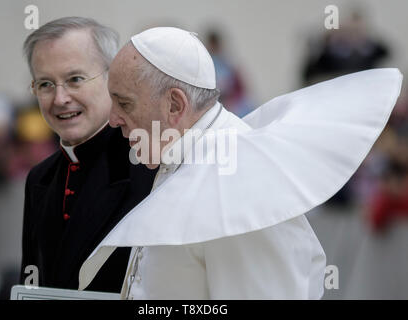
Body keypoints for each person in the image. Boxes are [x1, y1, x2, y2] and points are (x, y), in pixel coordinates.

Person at [78, 27, 402, 299]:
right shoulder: (184, 155)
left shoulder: (238, 182)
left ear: (174, 105)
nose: (113, 119)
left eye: (124, 103)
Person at [20, 17, 156, 292]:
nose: (60, 99)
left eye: (75, 79)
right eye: (45, 84)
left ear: (111, 78)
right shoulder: (39, 178)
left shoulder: (148, 165)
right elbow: (31, 283)